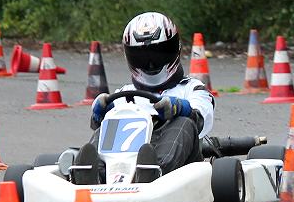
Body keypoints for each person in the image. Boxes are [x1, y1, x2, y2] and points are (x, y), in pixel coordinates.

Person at [73, 12, 215, 184]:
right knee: (107, 124)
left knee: (184, 122)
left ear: (175, 49)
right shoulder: (123, 94)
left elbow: (202, 120)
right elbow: (96, 125)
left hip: (176, 163)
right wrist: (100, 110)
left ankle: (153, 172)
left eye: (158, 54)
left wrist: (179, 108)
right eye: (142, 57)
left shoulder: (192, 88)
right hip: (122, 162)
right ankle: (93, 173)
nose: (150, 64)